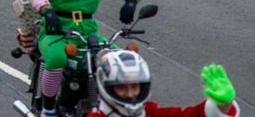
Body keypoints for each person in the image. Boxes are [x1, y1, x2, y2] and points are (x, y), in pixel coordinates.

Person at [89, 53, 238, 117]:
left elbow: (191, 115)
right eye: (121, 87)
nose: (130, 94)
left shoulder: (151, 112)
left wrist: (222, 105)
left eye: (135, 86)